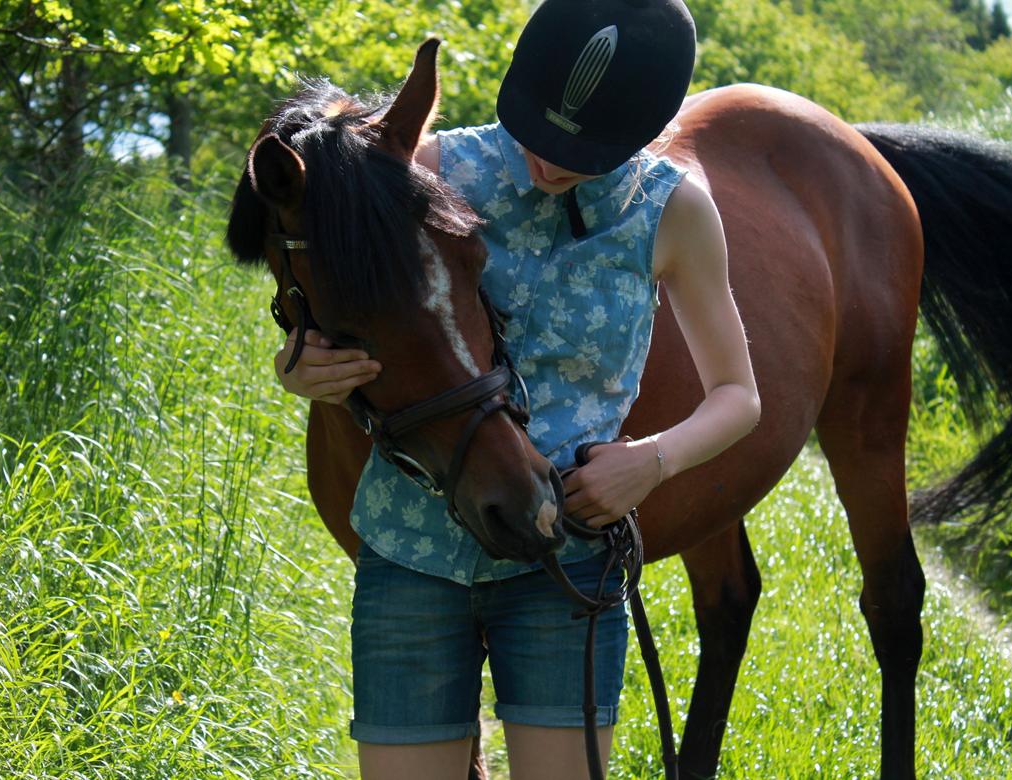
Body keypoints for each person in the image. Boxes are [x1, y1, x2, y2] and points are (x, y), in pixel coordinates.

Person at [275, 0, 760, 777]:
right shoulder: (426, 169)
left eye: (583, 152)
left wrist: (651, 462)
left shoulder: (673, 211)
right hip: (411, 552)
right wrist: (299, 365)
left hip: (565, 561)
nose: (550, 162)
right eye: (537, 132)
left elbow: (738, 394)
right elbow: (323, 287)